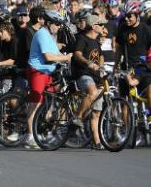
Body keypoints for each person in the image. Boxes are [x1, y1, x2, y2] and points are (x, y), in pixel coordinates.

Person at [25, 9, 73, 149]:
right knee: (36, 103)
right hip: (37, 71)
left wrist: (67, 60)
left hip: (48, 72)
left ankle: (46, 130)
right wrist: (66, 58)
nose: (58, 27)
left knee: (52, 101)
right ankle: (30, 136)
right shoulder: (42, 34)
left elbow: (56, 54)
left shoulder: (50, 35)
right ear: (49, 23)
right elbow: (49, 57)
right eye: (57, 24)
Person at [71, 14, 107, 149]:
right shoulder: (82, 38)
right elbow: (77, 54)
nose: (104, 27)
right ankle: (78, 117)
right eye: (101, 25)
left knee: (97, 112)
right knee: (92, 92)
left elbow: (101, 55)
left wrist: (101, 68)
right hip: (84, 74)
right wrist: (88, 63)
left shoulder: (97, 41)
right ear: (94, 26)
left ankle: (97, 142)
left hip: (96, 76)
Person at [115, 0, 151, 70]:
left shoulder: (146, 29)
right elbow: (118, 49)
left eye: (129, 16)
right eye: (125, 16)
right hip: (127, 68)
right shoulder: (122, 28)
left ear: (136, 15)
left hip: (143, 68)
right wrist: (115, 65)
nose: (126, 19)